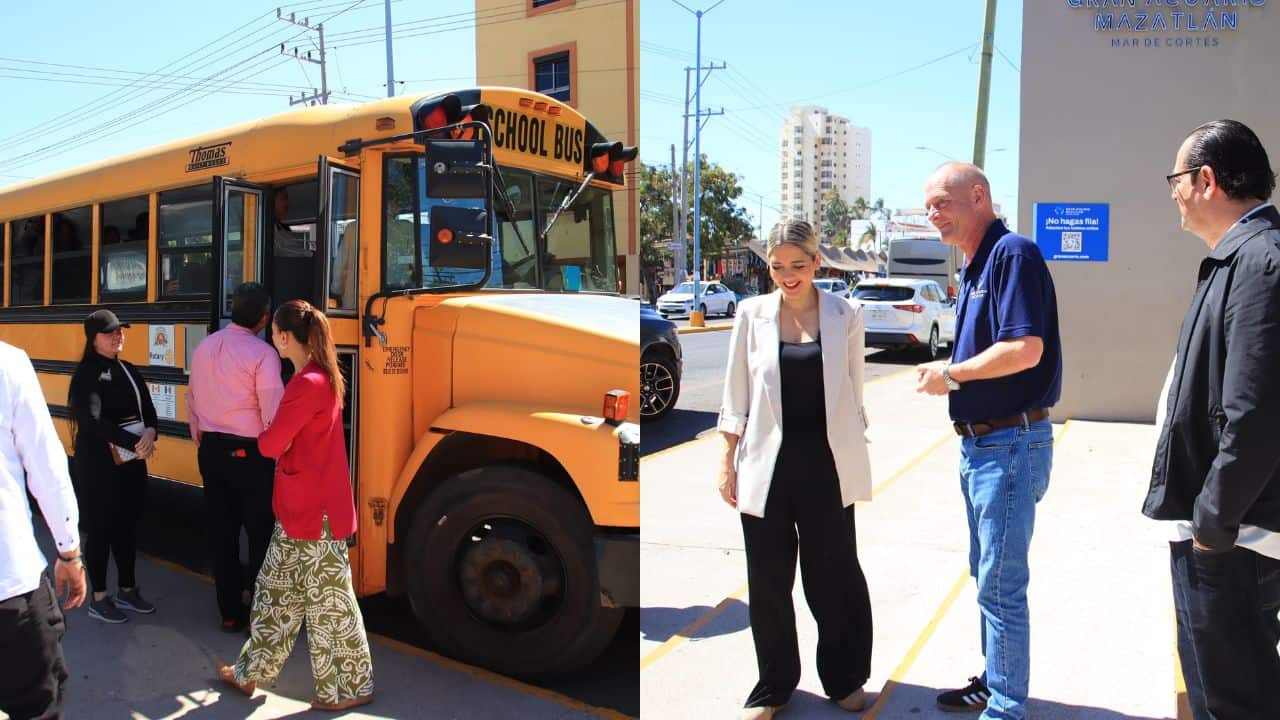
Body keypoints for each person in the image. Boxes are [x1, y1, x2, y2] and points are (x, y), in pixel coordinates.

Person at [1144, 119, 1280, 720]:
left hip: (1234, 540)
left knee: (1230, 699)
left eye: (1175, 179)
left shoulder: (1259, 262)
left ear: (1205, 179)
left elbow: (1257, 415)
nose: (1171, 192)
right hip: (1229, 532)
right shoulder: (1243, 255)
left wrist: (1210, 526)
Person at [915, 163, 1062, 719]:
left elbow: (1025, 349)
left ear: (978, 196)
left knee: (1000, 585)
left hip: (1009, 443)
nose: (933, 215)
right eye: (928, 207)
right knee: (987, 577)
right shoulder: (975, 266)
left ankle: (1005, 708)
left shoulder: (1012, 254)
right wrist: (951, 369)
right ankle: (993, 681)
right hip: (981, 447)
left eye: (940, 203)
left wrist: (951, 375)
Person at [718, 220, 874, 719]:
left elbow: (853, 391)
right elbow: (735, 393)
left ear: (816, 263)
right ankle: (774, 686)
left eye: (798, 266)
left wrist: (855, 451)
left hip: (827, 467)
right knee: (767, 581)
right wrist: (727, 460)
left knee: (833, 576)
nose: (787, 276)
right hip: (767, 465)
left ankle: (845, 678)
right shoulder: (751, 314)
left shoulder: (844, 313)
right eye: (777, 266)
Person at [217, 299, 373, 712]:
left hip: (313, 513)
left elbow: (270, 444)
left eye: (274, 335)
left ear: (285, 337)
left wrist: (264, 430)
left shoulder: (307, 384)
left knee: (329, 606)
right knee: (273, 593)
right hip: (303, 512)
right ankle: (251, 671)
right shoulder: (320, 377)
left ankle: (347, 688)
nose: (272, 340)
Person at [188, 282, 284, 633]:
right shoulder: (263, 354)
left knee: (222, 534)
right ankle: (261, 617)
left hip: (212, 451)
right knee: (260, 536)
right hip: (251, 456)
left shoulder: (205, 346)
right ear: (264, 317)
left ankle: (229, 613)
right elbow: (272, 412)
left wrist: (201, 437)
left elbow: (192, 399)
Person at [0, 341, 86, 720]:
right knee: (38, 704)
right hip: (8, 580)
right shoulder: (8, 363)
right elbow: (47, 467)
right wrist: (69, 552)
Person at [67, 309, 159, 624]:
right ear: (93, 339)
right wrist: (135, 442)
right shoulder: (87, 375)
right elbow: (92, 421)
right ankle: (99, 597)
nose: (118, 336)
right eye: (110, 333)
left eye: (120, 331)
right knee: (101, 529)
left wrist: (150, 433)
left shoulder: (130, 370)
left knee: (127, 527)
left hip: (131, 463)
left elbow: (148, 411)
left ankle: (128, 589)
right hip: (99, 466)